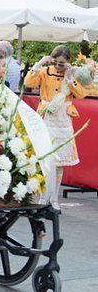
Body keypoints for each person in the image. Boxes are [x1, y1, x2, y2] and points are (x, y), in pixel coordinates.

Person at [23, 45, 87, 210]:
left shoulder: (72, 74)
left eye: (62, 63)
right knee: (43, 158)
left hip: (63, 120)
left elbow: (81, 94)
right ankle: (41, 194)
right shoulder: (45, 72)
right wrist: (39, 63)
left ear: (68, 63)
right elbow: (28, 82)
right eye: (56, 63)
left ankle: (54, 197)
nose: (59, 66)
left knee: (59, 162)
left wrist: (70, 76)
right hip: (46, 117)